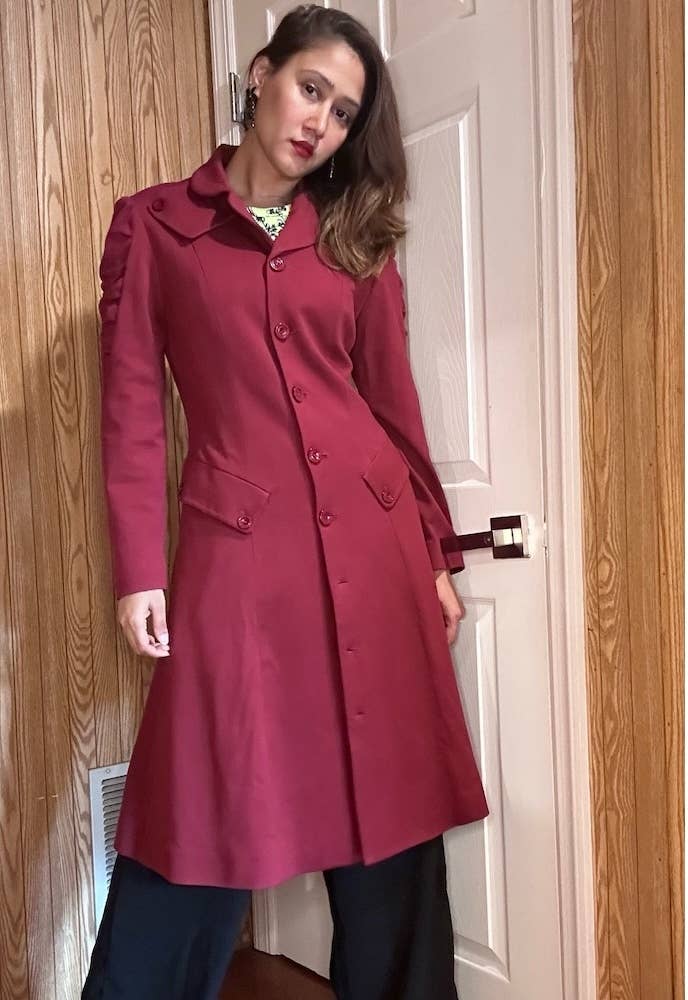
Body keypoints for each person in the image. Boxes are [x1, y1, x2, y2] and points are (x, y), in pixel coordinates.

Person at [82, 5, 489, 998]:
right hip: (238, 552)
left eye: (344, 113)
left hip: (376, 547)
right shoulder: (155, 224)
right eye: (312, 89)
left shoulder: (352, 236)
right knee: (198, 807)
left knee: (389, 809)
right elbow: (132, 408)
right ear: (261, 74)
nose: (321, 123)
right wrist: (140, 570)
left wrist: (433, 553)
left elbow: (391, 405)